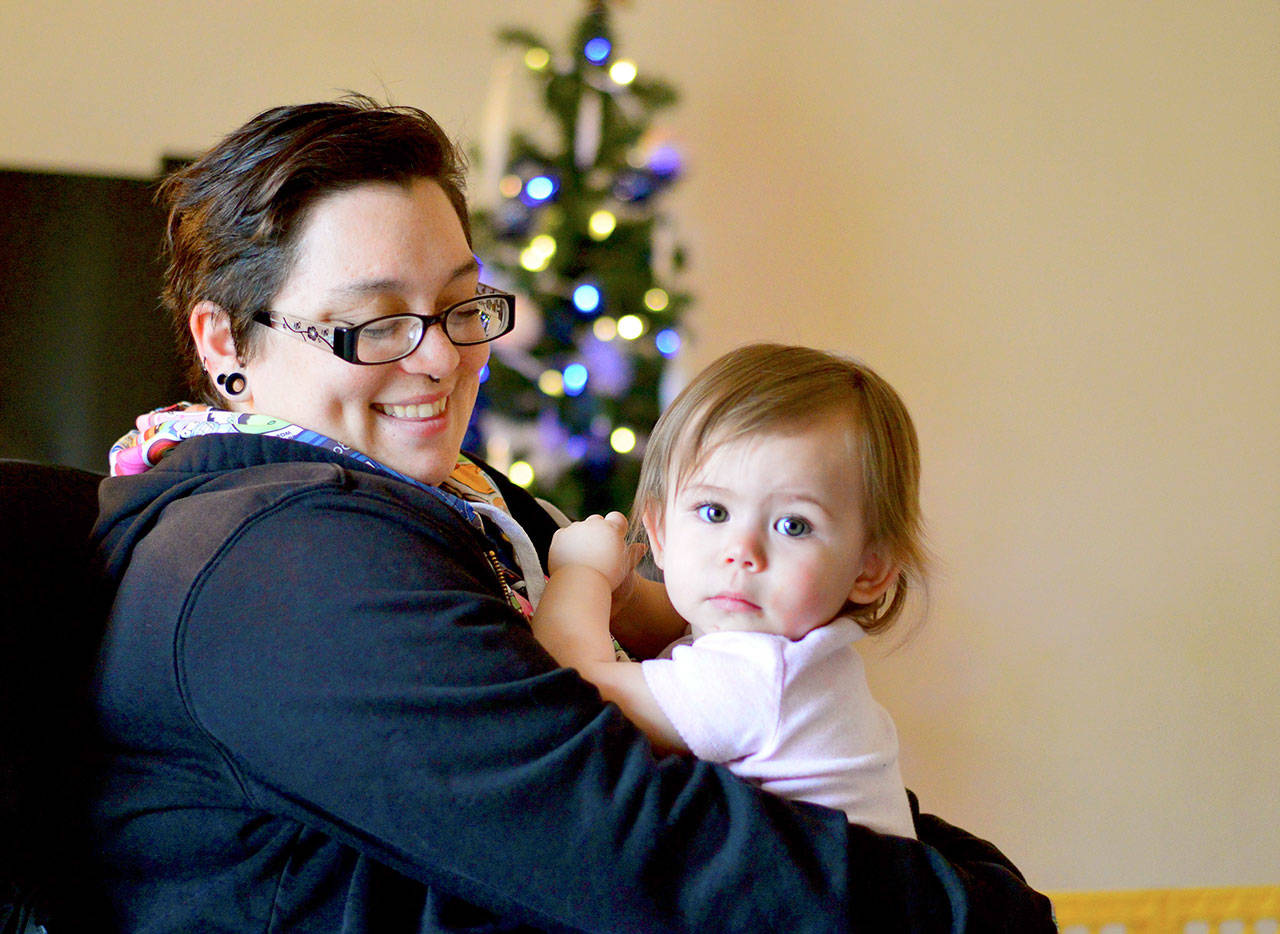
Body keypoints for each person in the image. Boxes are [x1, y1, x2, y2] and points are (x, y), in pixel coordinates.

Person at [88, 95, 1055, 931]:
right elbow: (639, 846)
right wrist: (983, 911)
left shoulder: (470, 504)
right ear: (225, 339)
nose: (439, 358)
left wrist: (961, 880)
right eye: (376, 323)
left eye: (463, 307)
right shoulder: (275, 565)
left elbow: (758, 744)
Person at [532, 344, 921, 839]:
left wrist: (580, 573)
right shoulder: (792, 658)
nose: (742, 551)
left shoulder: (763, 677)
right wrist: (626, 596)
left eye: (793, 525)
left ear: (870, 569)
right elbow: (677, 628)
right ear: (659, 532)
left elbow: (570, 690)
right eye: (714, 512)